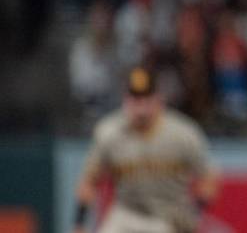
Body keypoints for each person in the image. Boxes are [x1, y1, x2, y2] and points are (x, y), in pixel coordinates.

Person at [72, 67, 220, 233]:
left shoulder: (182, 133)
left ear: (159, 99)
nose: (141, 106)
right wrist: (79, 224)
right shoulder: (109, 132)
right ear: (125, 99)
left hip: (170, 215)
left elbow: (208, 180)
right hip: (126, 213)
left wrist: (195, 214)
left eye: (146, 98)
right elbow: (89, 182)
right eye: (136, 98)